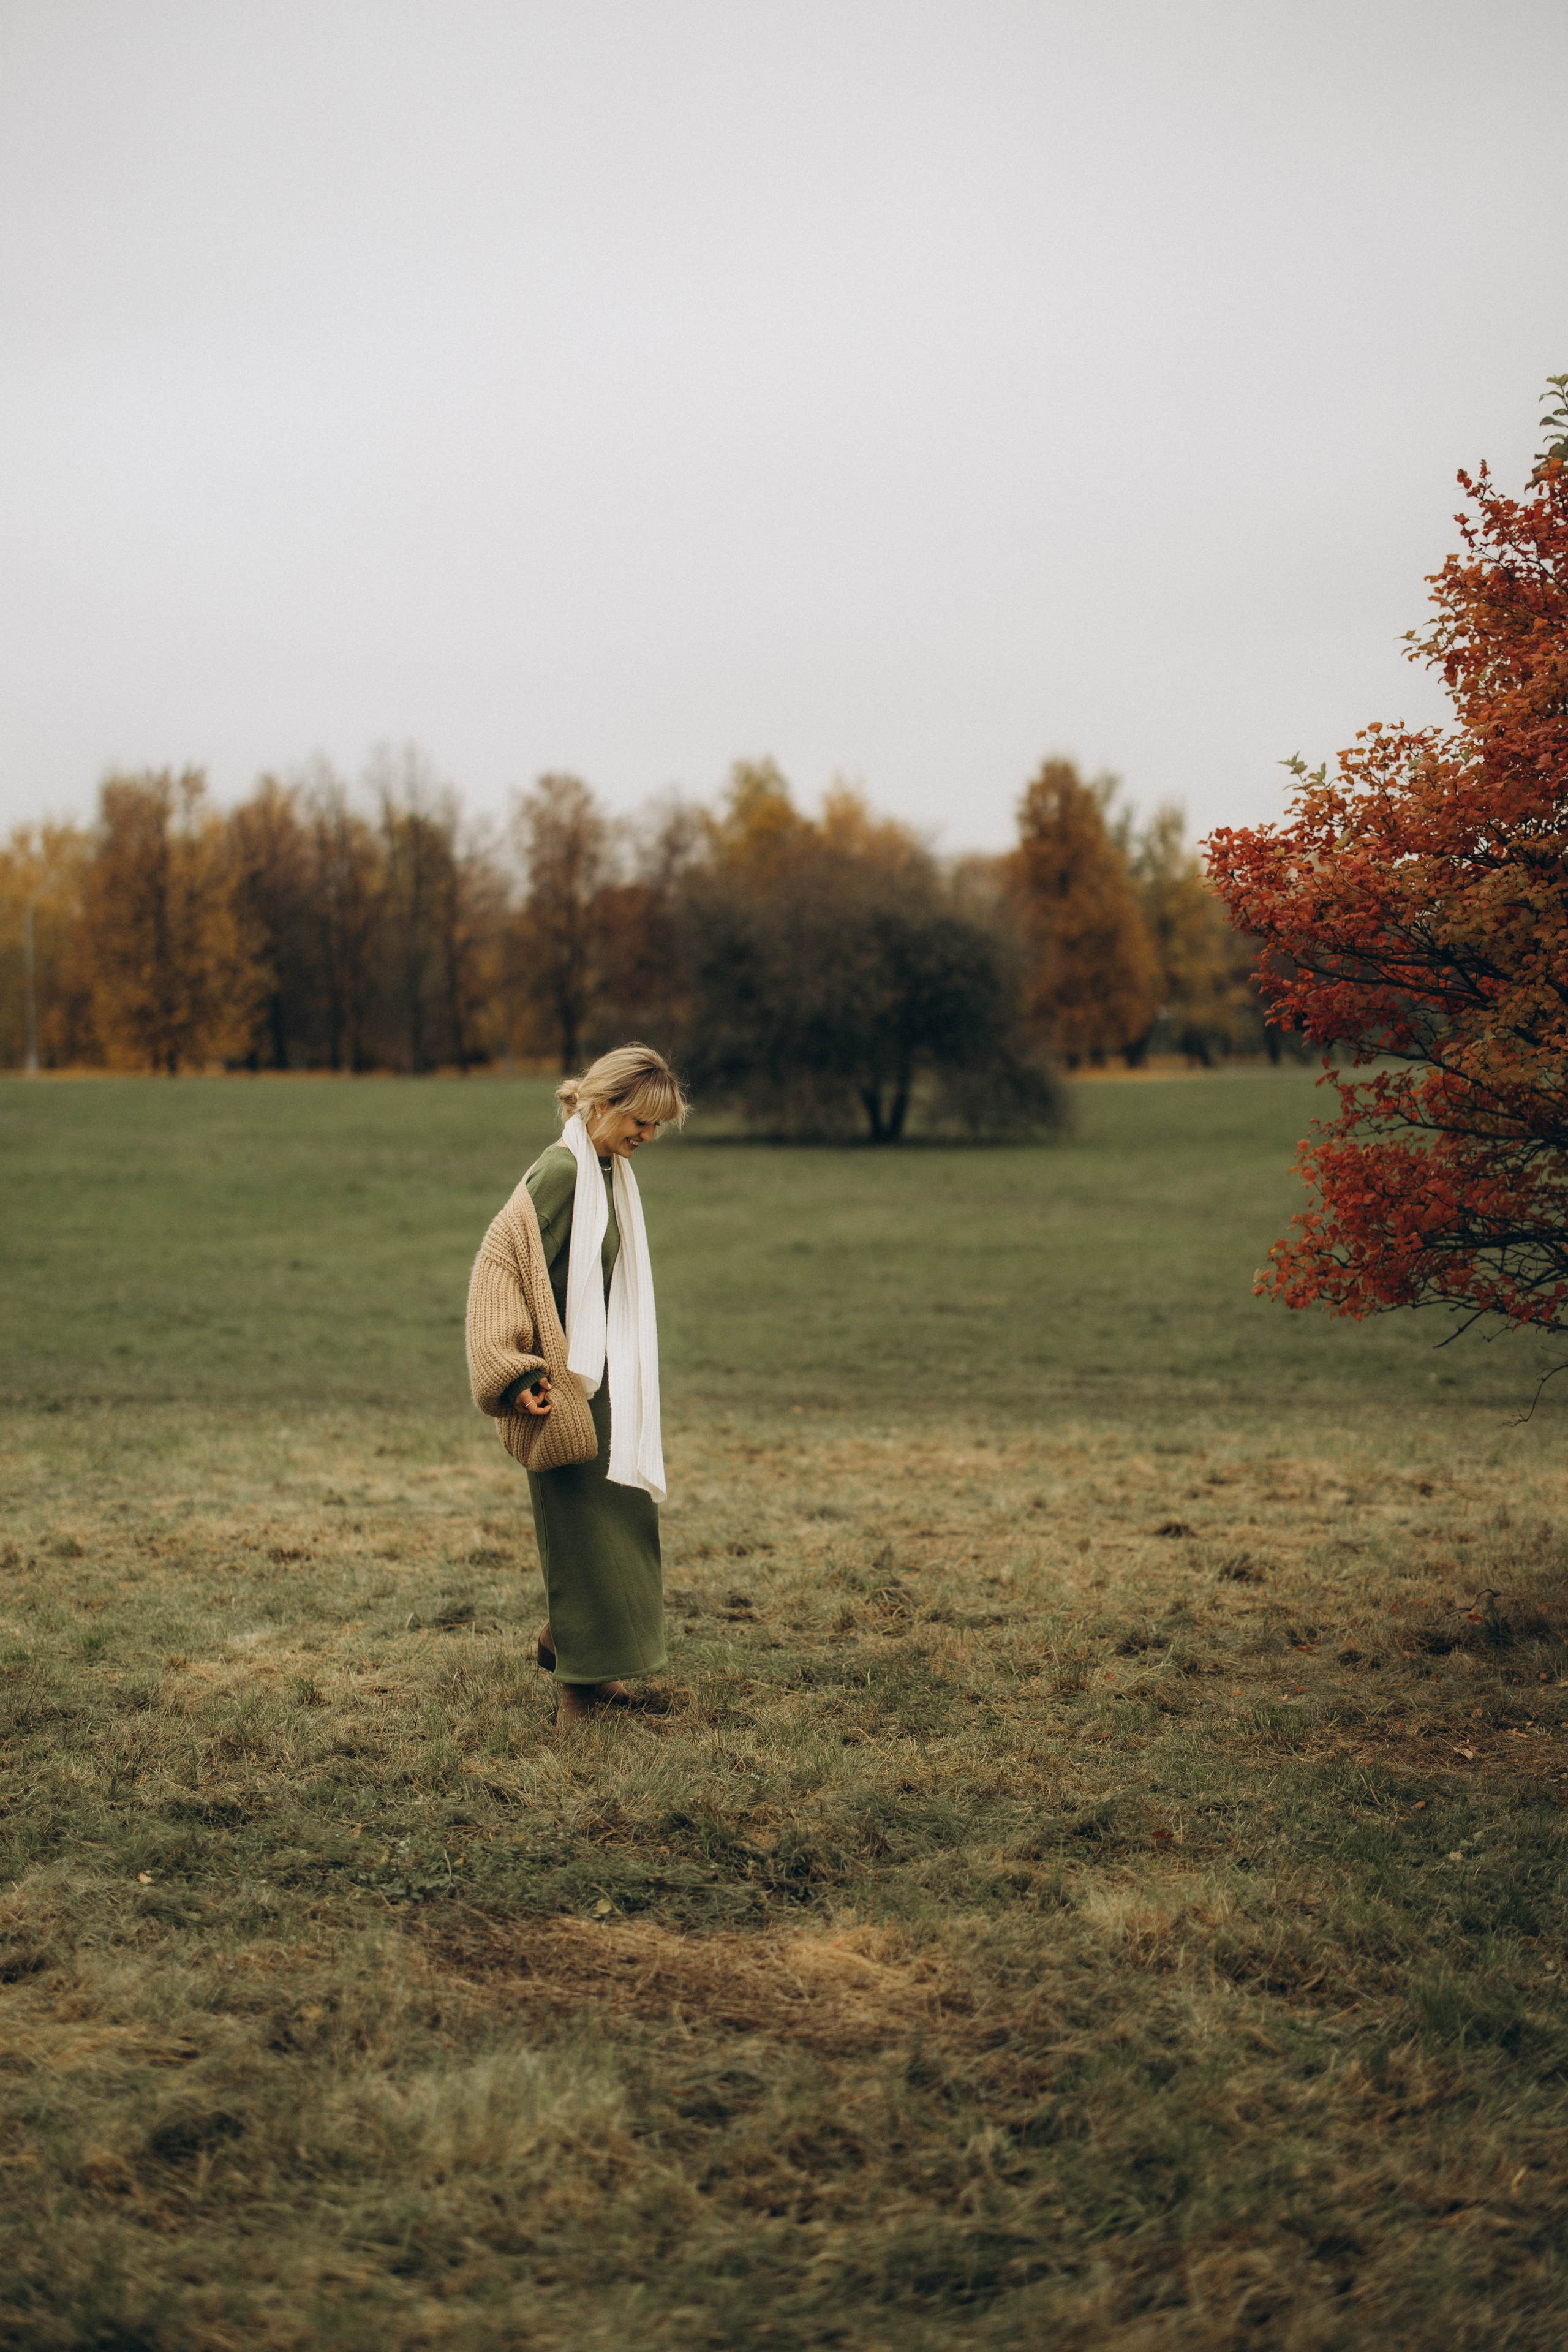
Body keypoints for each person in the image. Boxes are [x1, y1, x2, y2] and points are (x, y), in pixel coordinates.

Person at [465, 1044, 688, 1724]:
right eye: (640, 1122)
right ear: (603, 1103)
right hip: (561, 1388)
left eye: (656, 1127)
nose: (646, 1138)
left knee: (621, 1529)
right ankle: (578, 1691)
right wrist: (516, 1373)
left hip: (608, 1384)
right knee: (581, 1537)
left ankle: (577, 1650)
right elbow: (500, 1269)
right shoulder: (562, 1172)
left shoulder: (604, 1168)